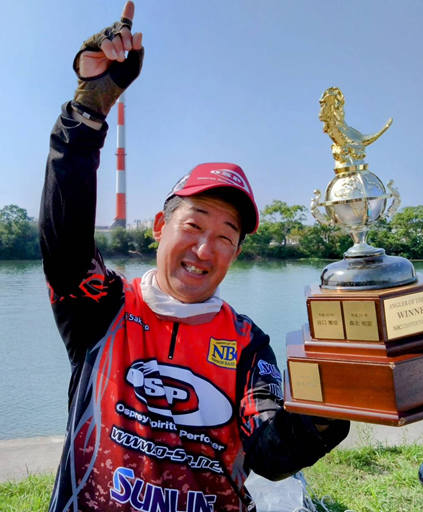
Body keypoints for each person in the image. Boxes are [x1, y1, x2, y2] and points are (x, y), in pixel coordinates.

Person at [40, 3, 350, 511]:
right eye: (194, 225)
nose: (205, 249)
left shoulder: (247, 343)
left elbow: (271, 454)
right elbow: (64, 237)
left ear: (237, 252)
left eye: (226, 236)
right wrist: (88, 110)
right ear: (159, 228)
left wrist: (335, 401)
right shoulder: (102, 308)